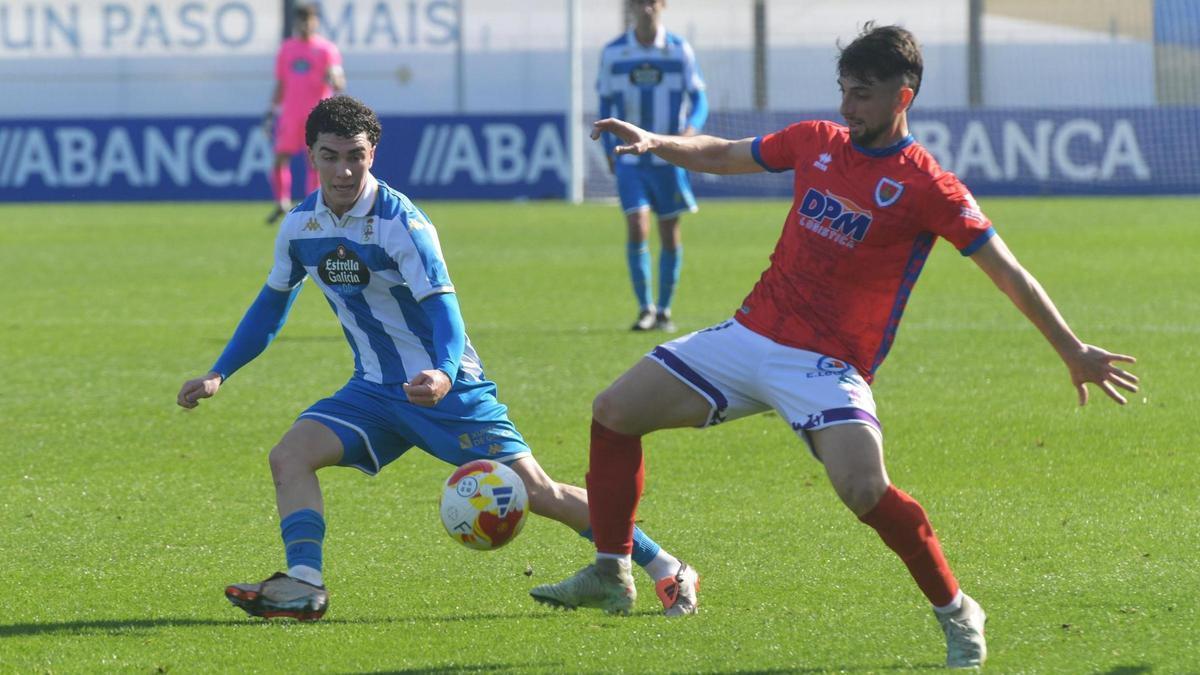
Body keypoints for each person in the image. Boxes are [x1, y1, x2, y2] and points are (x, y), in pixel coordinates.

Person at [531, 23, 1139, 668]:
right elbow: (724, 153)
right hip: (750, 334)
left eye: (864, 96)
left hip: (827, 366)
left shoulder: (928, 184)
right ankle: (611, 569)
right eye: (845, 91)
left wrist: (1071, 349)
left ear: (902, 97)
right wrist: (657, 142)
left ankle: (958, 610)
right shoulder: (817, 141)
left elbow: (1007, 270)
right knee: (614, 411)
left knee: (863, 489)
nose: (848, 108)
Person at [176, 95, 699, 621]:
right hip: (375, 392)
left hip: (450, 391)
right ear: (310, 155)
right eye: (330, 155)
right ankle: (305, 584)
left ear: (372, 153)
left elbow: (447, 315)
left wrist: (445, 375)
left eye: (355, 155)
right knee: (289, 455)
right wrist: (220, 371)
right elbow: (271, 305)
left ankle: (669, 569)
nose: (343, 169)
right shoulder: (300, 227)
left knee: (537, 492)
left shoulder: (402, 224)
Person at [597, 0, 708, 332]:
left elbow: (699, 97)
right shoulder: (614, 52)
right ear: (630, 7)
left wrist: (690, 131)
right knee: (637, 225)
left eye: (651, 2)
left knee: (670, 232)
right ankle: (645, 308)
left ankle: (664, 310)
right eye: (639, 2)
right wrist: (608, 147)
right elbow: (604, 101)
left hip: (669, 155)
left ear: (663, 5)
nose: (646, 8)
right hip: (630, 156)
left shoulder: (678, 50)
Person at [264, 2, 345, 225]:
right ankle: (282, 202)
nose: (305, 25)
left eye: (309, 20)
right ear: (296, 23)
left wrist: (335, 78)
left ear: (315, 22)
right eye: (301, 20)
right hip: (290, 115)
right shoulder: (287, 49)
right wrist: (271, 111)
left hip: (317, 116)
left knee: (315, 161)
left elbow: (338, 82)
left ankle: (315, 204)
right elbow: (281, 84)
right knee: (280, 158)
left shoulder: (326, 50)